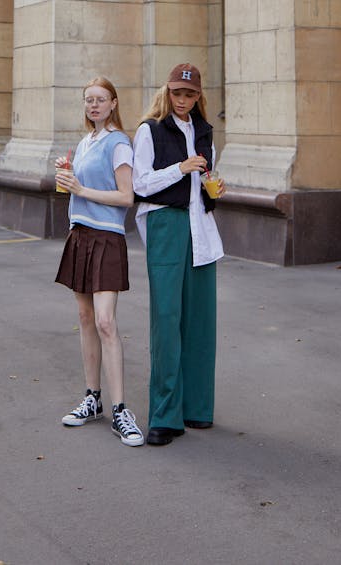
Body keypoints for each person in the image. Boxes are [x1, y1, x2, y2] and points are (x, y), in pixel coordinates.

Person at [132, 63, 225, 446]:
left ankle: (197, 408)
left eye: (189, 94)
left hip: (200, 227)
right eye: (177, 93)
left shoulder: (204, 132)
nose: (183, 100)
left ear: (198, 96)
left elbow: (205, 182)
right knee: (167, 320)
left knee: (201, 321)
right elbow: (140, 183)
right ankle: (164, 416)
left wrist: (213, 186)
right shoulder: (149, 130)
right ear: (166, 93)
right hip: (166, 225)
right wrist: (180, 168)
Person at [54, 76, 145, 447]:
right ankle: (92, 399)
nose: (93, 105)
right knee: (85, 318)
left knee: (106, 322)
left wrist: (80, 189)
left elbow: (127, 196)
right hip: (81, 235)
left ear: (113, 103)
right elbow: (78, 193)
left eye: (100, 99)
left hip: (108, 237)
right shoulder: (85, 141)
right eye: (88, 100)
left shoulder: (119, 143)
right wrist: (69, 180)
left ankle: (121, 409)